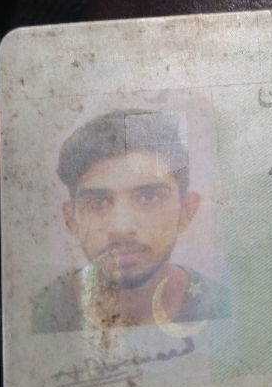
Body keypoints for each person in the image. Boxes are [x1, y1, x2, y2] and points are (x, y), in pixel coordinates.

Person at [33, 109, 226, 333]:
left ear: (186, 211)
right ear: (71, 219)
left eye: (149, 197)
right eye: (98, 202)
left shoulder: (225, 306)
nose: (122, 229)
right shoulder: (32, 313)